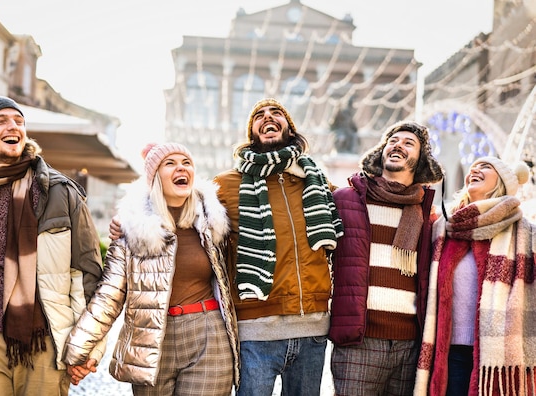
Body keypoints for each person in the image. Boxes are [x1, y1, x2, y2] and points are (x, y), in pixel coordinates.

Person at [0, 96, 104, 395]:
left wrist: (87, 346)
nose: (13, 126)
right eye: (0, 121)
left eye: (18, 121)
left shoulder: (59, 191)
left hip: (47, 336)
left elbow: (89, 274)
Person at [64, 142, 240, 395]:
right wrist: (79, 350)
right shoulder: (132, 230)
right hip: (149, 341)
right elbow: (108, 296)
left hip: (207, 335)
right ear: (155, 177)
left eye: (186, 163)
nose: (181, 168)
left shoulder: (214, 224)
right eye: (170, 163)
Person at [213, 98, 344, 395]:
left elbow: (359, 212)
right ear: (252, 132)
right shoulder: (226, 185)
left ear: (289, 127)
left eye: (276, 113)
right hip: (255, 331)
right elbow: (187, 219)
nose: (268, 117)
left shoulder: (317, 183)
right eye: (259, 115)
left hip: (312, 329)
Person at [328, 120, 444, 395]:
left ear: (420, 160)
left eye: (408, 143)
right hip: (359, 341)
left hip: (409, 346)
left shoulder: (427, 215)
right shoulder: (346, 200)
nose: (398, 146)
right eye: (393, 140)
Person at [414, 156, 535, 395]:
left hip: (500, 358)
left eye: (485, 167)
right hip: (450, 354)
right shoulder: (444, 229)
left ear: (502, 182)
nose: (475, 170)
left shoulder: (525, 232)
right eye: (472, 168)